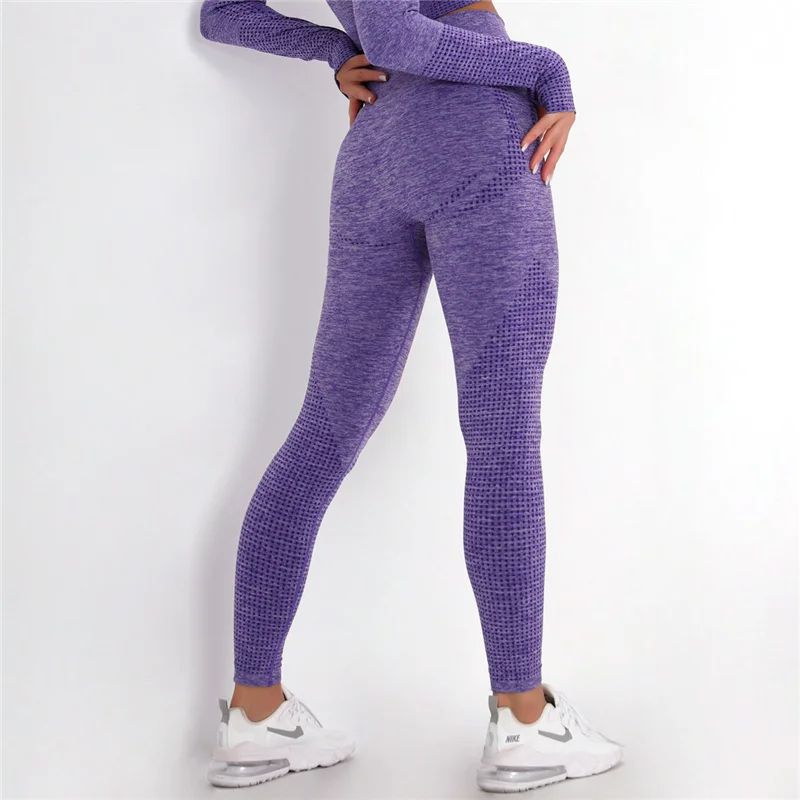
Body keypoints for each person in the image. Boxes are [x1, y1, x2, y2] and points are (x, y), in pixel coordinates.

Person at [199, 0, 623, 792]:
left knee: (323, 433)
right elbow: (397, 33)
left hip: (380, 153)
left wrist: (335, 48)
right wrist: (544, 68)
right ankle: (525, 723)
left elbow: (221, 13)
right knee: (501, 431)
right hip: (478, 135)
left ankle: (256, 714)